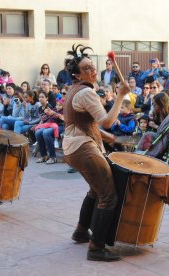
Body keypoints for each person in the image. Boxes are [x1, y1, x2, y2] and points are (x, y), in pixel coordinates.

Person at [63, 44, 130, 262]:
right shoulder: (86, 92)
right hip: (83, 148)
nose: (93, 71)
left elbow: (83, 123)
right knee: (108, 196)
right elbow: (108, 121)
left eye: (93, 67)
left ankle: (82, 231)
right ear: (77, 74)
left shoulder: (75, 90)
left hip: (75, 147)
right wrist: (120, 95)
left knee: (94, 190)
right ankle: (97, 248)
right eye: (87, 68)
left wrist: (105, 137)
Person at [34, 91, 63, 164]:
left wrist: (56, 114)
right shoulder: (55, 108)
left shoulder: (65, 108)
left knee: (46, 132)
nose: (57, 106)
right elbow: (46, 118)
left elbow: (65, 119)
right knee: (38, 132)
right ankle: (44, 156)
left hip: (61, 126)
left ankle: (52, 157)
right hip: (50, 124)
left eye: (64, 93)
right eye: (57, 104)